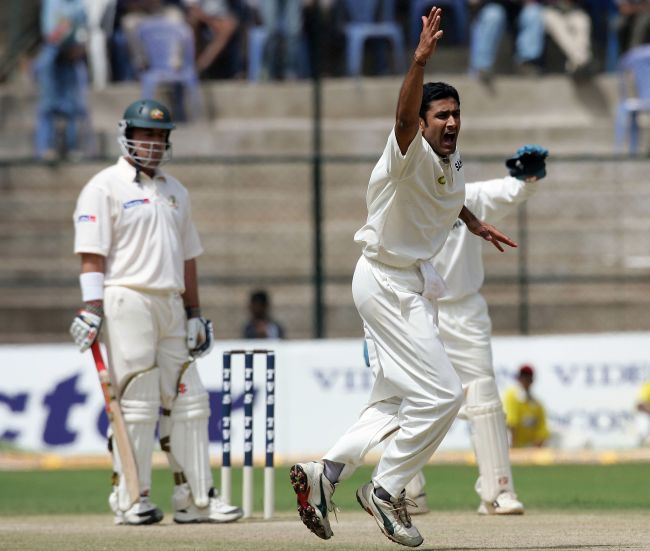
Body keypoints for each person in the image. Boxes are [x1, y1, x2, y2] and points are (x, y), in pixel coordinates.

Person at [289, 7, 517, 548]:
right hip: (386, 281)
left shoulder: (450, 161)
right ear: (422, 120)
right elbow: (401, 121)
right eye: (440, 115)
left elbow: (447, 195)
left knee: (392, 400)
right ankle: (387, 489)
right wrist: (417, 63)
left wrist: (474, 222)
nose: (451, 122)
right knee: (443, 396)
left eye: (456, 114)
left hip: (406, 282)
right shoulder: (406, 150)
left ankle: (327, 473)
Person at [69, 98, 243, 525]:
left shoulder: (174, 191)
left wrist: (195, 312)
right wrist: (92, 308)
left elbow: (188, 257)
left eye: (160, 135)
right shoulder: (104, 186)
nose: (152, 143)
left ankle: (196, 499)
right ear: (127, 135)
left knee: (191, 403)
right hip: (127, 298)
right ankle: (132, 498)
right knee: (138, 404)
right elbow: (92, 253)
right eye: (145, 134)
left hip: (171, 302)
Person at [402, 143, 549, 516]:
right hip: (416, 308)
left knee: (483, 397)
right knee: (410, 398)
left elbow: (516, 189)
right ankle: (405, 491)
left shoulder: (473, 196)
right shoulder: (402, 199)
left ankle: (497, 491)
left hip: (464, 310)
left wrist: (529, 174)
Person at [34, 0, 90, 161]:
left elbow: (83, 30)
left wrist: (78, 47)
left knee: (73, 105)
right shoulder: (51, 3)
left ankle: (73, 148)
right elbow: (51, 34)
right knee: (48, 105)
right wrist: (64, 30)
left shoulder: (80, 5)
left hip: (72, 57)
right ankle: (45, 149)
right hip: (52, 55)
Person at [470, 0, 545, 82]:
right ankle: (482, 68)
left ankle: (527, 64)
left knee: (533, 12)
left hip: (519, 9)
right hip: (493, 7)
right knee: (492, 15)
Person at [543, 0, 594, 78]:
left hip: (570, 11)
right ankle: (581, 62)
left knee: (582, 20)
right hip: (549, 11)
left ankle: (578, 63)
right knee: (557, 25)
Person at [502, 364, 551, 447]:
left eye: (528, 379)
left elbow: (543, 429)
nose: (525, 381)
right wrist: (513, 449)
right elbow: (512, 423)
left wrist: (536, 446)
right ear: (519, 379)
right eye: (523, 378)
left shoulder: (537, 403)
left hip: (530, 448)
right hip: (514, 446)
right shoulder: (511, 396)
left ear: (532, 381)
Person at [634, 380, 650, 446]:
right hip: (647, 415)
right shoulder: (647, 386)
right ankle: (643, 440)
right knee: (643, 418)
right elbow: (639, 406)